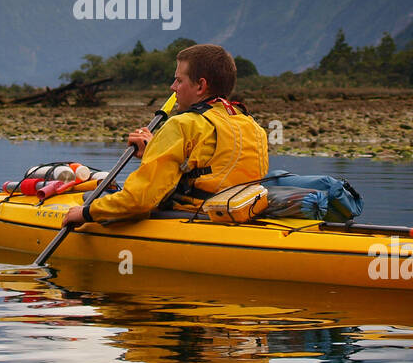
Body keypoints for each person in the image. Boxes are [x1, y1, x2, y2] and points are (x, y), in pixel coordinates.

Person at [61, 43, 268, 228]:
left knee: (91, 198)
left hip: (194, 215)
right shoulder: (252, 125)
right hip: (242, 211)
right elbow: (213, 166)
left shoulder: (181, 124)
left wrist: (87, 212)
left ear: (201, 86)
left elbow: (140, 200)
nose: (173, 87)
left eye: (179, 80)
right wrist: (154, 149)